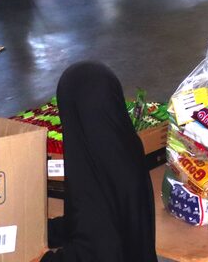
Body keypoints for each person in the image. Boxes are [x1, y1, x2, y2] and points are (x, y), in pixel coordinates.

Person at [41, 61, 157, 261]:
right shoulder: (126, 151)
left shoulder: (88, 171)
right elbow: (91, 221)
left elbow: (96, 251)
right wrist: (42, 230)